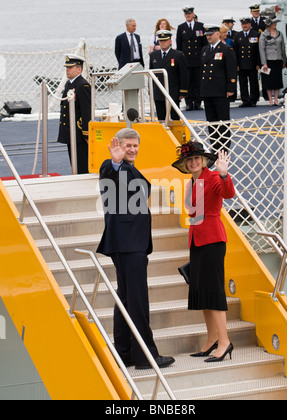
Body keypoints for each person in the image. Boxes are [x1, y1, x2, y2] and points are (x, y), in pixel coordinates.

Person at [96, 128, 175, 370]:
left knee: (127, 299)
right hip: (128, 244)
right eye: (127, 145)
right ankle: (146, 357)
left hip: (130, 243)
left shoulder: (131, 168)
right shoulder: (112, 166)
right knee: (138, 301)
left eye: (134, 146)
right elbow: (109, 177)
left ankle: (124, 352)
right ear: (117, 146)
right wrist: (115, 162)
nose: (131, 149)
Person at [172, 140, 235, 363]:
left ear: (203, 160)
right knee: (203, 292)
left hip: (212, 240)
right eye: (189, 160)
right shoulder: (191, 183)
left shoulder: (213, 177)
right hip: (197, 241)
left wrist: (225, 174)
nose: (193, 162)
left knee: (214, 291)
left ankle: (225, 341)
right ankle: (211, 340)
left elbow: (227, 193)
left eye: (196, 158)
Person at [200, 25, 237, 152]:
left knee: (222, 121)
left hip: (220, 91)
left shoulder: (226, 49)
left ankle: (224, 146)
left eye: (210, 34)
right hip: (207, 91)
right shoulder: (205, 50)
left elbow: (231, 71)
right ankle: (214, 145)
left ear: (217, 34)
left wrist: (231, 88)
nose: (208, 37)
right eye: (207, 35)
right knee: (211, 121)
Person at [57, 55, 91, 174]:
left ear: (79, 69)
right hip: (70, 131)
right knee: (74, 161)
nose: (67, 70)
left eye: (70, 68)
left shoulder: (83, 85)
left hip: (79, 132)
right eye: (67, 68)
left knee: (82, 163)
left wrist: (87, 134)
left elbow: (87, 111)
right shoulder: (69, 84)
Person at [149, 30, 189, 120]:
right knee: (161, 119)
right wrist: (150, 89)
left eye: (165, 40)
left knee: (175, 118)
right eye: (161, 41)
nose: (163, 43)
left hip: (173, 92)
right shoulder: (154, 55)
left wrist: (183, 91)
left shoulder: (178, 55)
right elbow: (151, 74)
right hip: (159, 92)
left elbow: (184, 74)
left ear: (170, 41)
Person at [176, 6, 207, 111]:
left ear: (193, 14)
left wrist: (204, 57)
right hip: (186, 59)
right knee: (188, 82)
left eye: (189, 13)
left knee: (198, 82)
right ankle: (189, 103)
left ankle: (198, 102)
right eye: (186, 14)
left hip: (198, 59)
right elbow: (179, 45)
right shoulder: (181, 28)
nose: (188, 15)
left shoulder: (201, 26)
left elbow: (204, 43)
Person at [259, 17, 286, 106]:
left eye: (276, 22)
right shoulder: (263, 34)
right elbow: (262, 49)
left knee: (277, 80)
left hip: (278, 60)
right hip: (268, 61)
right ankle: (270, 100)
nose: (275, 24)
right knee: (268, 81)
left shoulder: (280, 34)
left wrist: (284, 60)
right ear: (269, 24)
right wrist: (264, 63)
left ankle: (276, 100)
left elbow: (282, 47)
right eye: (273, 23)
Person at [234, 17, 260, 108]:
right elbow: (236, 51)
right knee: (242, 83)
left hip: (252, 63)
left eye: (246, 24)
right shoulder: (238, 35)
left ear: (250, 24)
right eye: (243, 24)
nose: (244, 26)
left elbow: (258, 50)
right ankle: (245, 100)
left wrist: (258, 63)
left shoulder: (256, 34)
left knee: (253, 82)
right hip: (241, 63)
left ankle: (253, 100)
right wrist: (236, 64)